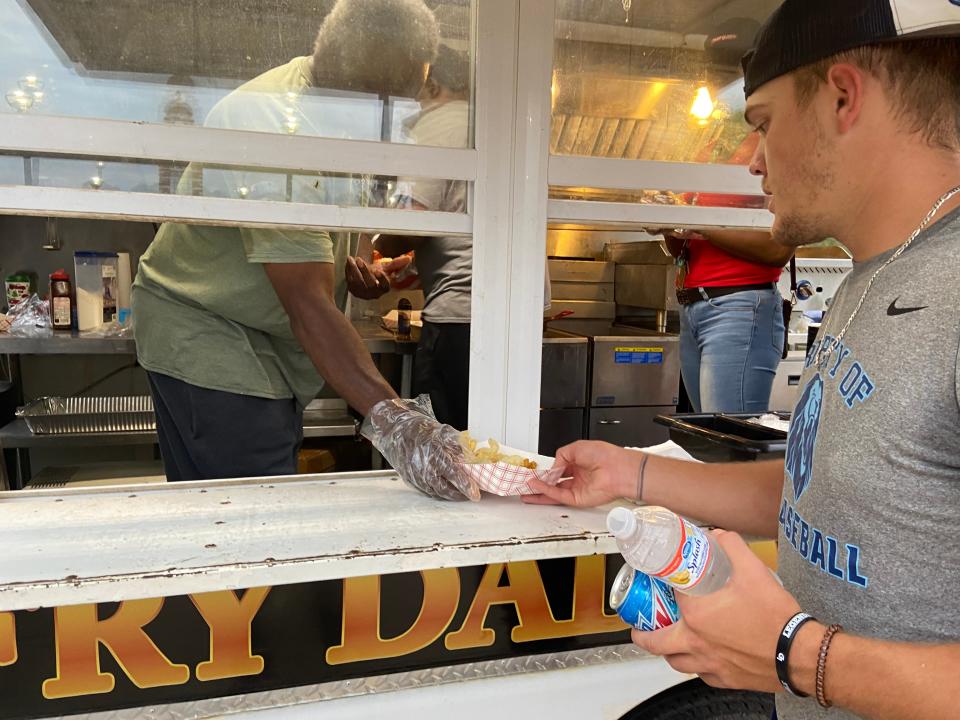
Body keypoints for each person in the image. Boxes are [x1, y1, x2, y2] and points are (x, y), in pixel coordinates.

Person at [525, 2, 960, 719]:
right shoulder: (873, 275)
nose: (755, 158)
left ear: (843, 98)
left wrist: (795, 655)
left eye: (762, 121)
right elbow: (826, 488)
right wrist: (630, 473)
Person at [132, 0, 478, 502]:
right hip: (212, 333)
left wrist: (346, 267)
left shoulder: (333, 110)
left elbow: (319, 232)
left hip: (263, 339)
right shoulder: (278, 127)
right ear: (369, 90)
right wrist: (400, 424)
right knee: (254, 514)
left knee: (252, 503)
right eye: (401, 99)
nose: (404, 116)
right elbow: (307, 305)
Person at [348, 45, 473, 430]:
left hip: (460, 321)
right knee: (494, 448)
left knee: (442, 445)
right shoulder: (490, 123)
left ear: (432, 85)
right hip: (517, 317)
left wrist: (373, 250)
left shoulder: (442, 121)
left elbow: (413, 220)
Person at [666, 225, 793, 414]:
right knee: (710, 432)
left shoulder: (763, 196)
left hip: (738, 307)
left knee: (726, 431)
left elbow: (777, 249)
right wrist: (669, 226)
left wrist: (701, 226)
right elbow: (679, 250)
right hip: (693, 305)